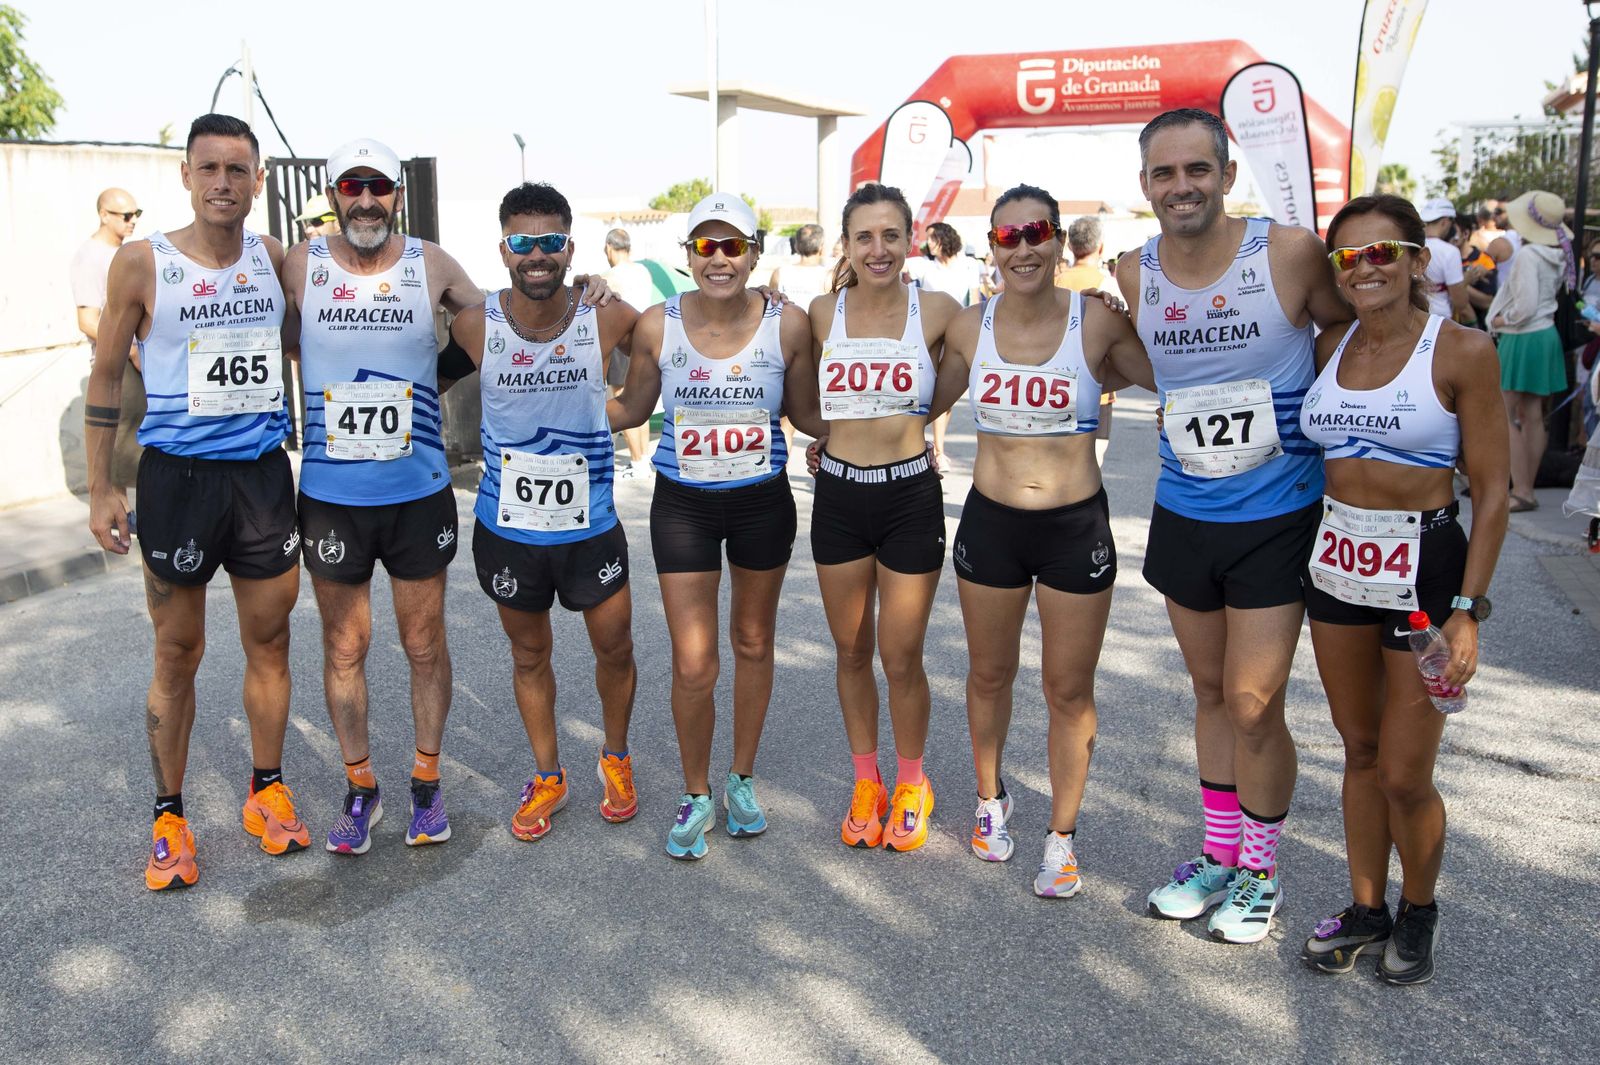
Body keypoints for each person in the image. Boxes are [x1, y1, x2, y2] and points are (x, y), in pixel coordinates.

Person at [1116, 107, 1351, 943]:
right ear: (1144, 185)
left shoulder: (1286, 252)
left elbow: (1343, 326)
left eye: (1197, 170)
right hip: (1186, 509)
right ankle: (1219, 856)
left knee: (1255, 702)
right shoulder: (1132, 271)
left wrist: (1311, 414)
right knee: (1211, 693)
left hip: (1278, 512)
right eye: (1164, 173)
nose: (1182, 186)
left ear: (1226, 174)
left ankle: (1261, 870)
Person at [85, 114, 306, 890]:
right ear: (185, 175)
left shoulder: (273, 257)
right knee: (177, 651)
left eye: (237, 170)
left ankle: (266, 789)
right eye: (208, 167)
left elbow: (342, 312)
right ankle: (170, 815)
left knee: (269, 641)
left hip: (260, 476)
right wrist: (104, 483)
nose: (222, 182)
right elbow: (108, 375)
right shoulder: (143, 264)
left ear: (258, 181)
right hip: (177, 479)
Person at [1298, 194, 1508, 985]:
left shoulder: (1461, 352)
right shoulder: (1327, 346)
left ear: (1419, 260)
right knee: (1357, 750)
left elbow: (1491, 491)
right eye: (1350, 258)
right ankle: (1366, 908)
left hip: (1424, 566)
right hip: (1338, 560)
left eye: (1385, 251)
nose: (1368, 267)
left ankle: (1419, 909)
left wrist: (1469, 612)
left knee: (1404, 772)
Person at [928, 184, 1154, 895]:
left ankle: (1062, 836)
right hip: (991, 522)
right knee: (989, 674)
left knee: (1067, 687)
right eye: (1007, 236)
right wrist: (834, 439)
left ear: (1057, 240)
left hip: (1073, 525)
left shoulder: (1097, 323)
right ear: (991, 246)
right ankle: (991, 801)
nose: (1022, 248)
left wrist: (1139, 297)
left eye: (1036, 233)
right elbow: (912, 399)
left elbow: (1175, 368)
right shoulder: (969, 327)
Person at [281, 138, 485, 854]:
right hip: (333, 495)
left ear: (396, 193)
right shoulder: (300, 264)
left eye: (379, 187)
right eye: (352, 186)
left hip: (416, 491)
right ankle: (360, 786)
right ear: (336, 194)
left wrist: (437, 380)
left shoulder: (428, 263)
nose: (365, 199)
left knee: (423, 643)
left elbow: (497, 324)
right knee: (344, 647)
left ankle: (425, 784)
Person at [611, 194, 815, 860]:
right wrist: (544, 394)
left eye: (732, 246)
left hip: (761, 501)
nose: (719, 259)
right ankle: (696, 791)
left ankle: (741, 781)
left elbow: (814, 413)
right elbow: (633, 406)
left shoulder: (788, 325)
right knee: (694, 661)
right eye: (705, 246)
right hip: (684, 505)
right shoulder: (655, 324)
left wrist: (892, 423)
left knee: (753, 641)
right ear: (690, 255)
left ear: (754, 252)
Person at [441, 183, 642, 842]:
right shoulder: (475, 325)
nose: (537, 254)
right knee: (530, 656)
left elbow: (680, 337)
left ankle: (615, 757)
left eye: (550, 242)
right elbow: (418, 375)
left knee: (613, 648)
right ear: (503, 249)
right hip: (509, 528)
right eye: (523, 242)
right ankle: (548, 773)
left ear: (569, 248)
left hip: (590, 527)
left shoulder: (605, 316)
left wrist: (629, 410)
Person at [789, 183, 961, 853]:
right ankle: (869, 780)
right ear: (848, 244)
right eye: (865, 236)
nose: (878, 248)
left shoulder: (940, 308)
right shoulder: (820, 311)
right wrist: (823, 433)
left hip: (909, 493)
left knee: (901, 654)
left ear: (910, 239)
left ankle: (913, 781)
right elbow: (800, 394)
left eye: (891, 235)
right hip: (839, 495)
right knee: (853, 650)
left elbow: (987, 349)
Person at [1488, 190, 1575, 512]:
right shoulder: (1556, 253)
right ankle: (1527, 487)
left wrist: (1500, 319)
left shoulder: (1528, 255)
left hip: (1522, 335)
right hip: (1544, 334)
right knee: (1532, 415)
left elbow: (1522, 307)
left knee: (1503, 413)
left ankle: (1522, 490)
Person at [71, 187, 146, 487]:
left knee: (143, 441)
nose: (133, 221)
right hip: (118, 362)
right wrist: (129, 350)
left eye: (136, 214)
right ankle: (122, 514)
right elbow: (87, 320)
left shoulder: (124, 252)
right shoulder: (90, 257)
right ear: (104, 215)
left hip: (139, 357)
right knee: (124, 445)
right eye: (126, 215)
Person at [914, 221, 986, 471]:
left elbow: (975, 301)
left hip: (960, 334)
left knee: (948, 396)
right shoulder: (924, 267)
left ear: (945, 238)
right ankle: (936, 450)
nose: (928, 244)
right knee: (930, 390)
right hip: (931, 337)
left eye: (932, 238)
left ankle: (938, 447)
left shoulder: (968, 265)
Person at [1055, 215, 1119, 464]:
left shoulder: (1055, 282)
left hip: (1058, 384)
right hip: (1100, 387)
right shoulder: (1108, 284)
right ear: (1100, 247)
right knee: (1094, 458)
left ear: (1069, 246)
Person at [603, 228, 655, 477]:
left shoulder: (610, 276)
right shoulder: (643, 271)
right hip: (644, 340)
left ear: (609, 248)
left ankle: (637, 463)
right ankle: (643, 457)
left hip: (621, 342)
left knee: (624, 400)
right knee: (640, 399)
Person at [1417, 198, 1471, 323]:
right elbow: (1460, 302)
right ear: (1445, 222)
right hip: (1439, 320)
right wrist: (1467, 280)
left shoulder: (1413, 247)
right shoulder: (1450, 252)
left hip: (1414, 317)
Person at [769, 223, 832, 308]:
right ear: (821, 245)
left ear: (796, 246)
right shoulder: (829, 276)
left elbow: (771, 306)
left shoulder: (779, 273)